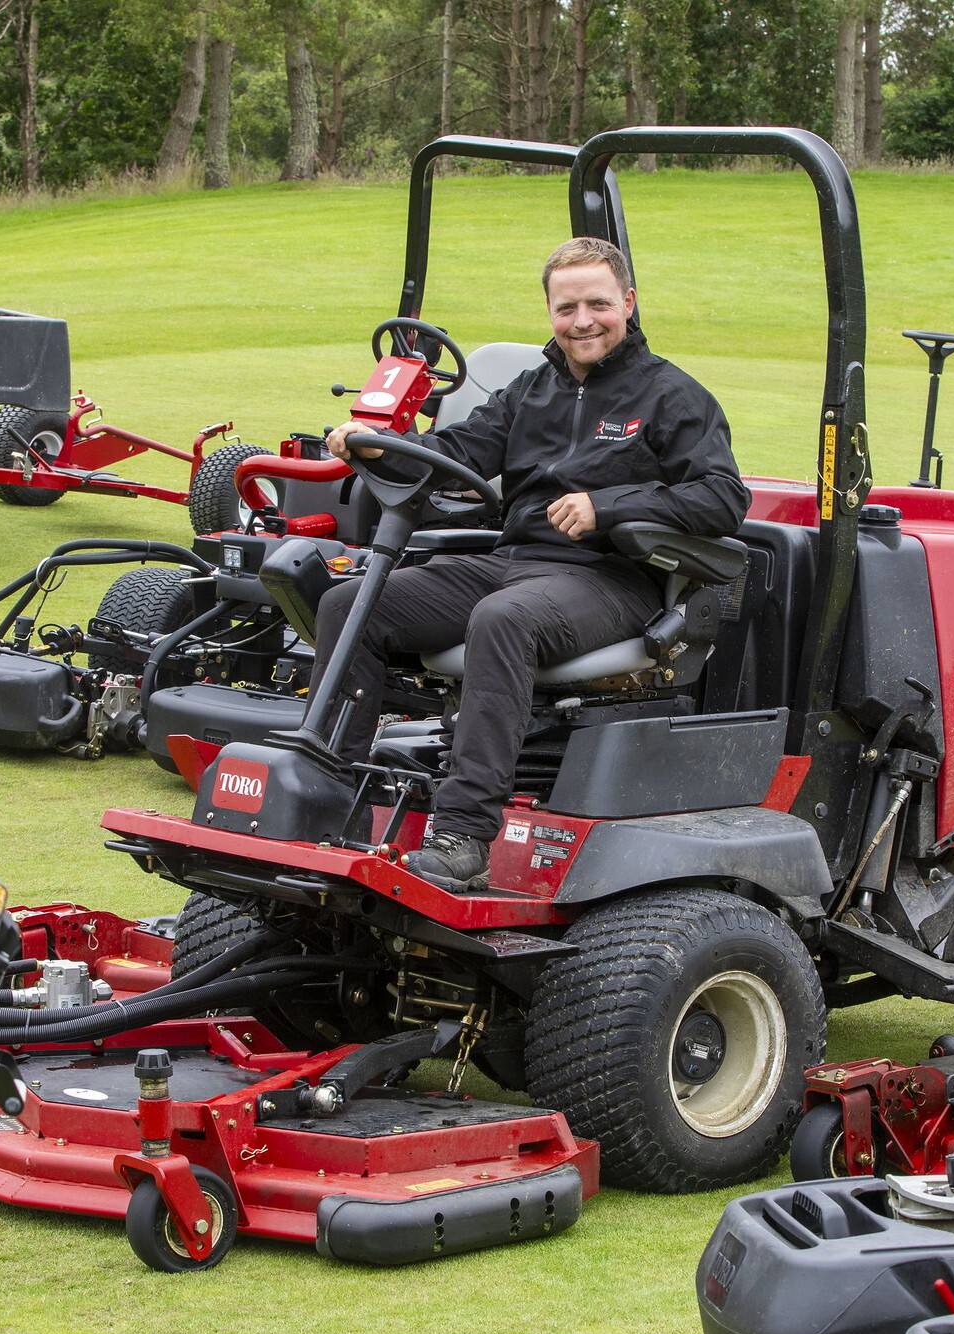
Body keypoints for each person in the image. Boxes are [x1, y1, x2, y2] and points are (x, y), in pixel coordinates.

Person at [313, 236, 749, 890]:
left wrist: (607, 506)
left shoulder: (672, 396)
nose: (582, 321)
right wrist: (377, 447)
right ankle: (325, 793)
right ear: (549, 310)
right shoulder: (529, 391)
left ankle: (463, 836)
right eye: (566, 306)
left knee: (503, 619)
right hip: (513, 561)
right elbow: (454, 451)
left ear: (628, 303)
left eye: (598, 304)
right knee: (349, 604)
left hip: (612, 581)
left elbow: (722, 497)